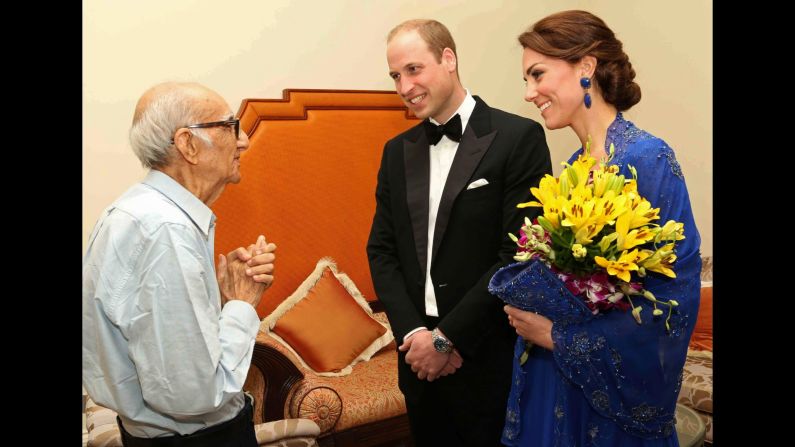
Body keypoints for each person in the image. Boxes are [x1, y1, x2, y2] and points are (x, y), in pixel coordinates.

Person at [500, 10, 702, 446]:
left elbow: (675, 297)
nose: (530, 92)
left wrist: (559, 336)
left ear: (586, 67)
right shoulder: (574, 166)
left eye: (537, 74)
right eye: (526, 80)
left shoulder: (647, 158)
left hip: (605, 395)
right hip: (558, 383)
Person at [366, 19, 552, 446]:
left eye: (414, 69)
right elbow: (381, 250)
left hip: (487, 351)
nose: (404, 86)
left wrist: (448, 340)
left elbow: (519, 256)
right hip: (416, 359)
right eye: (396, 75)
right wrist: (414, 335)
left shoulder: (517, 137)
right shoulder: (397, 152)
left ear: (448, 59)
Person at [83, 81, 278, 447]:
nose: (244, 141)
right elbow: (195, 394)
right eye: (229, 126)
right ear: (188, 144)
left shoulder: (138, 211)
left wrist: (215, 299)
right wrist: (241, 303)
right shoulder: (166, 231)